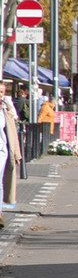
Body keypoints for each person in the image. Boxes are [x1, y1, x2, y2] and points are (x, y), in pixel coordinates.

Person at [0, 82, 21, 222]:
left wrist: (17, 153)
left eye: (2, 92)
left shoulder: (6, 110)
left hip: (1, 150)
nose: (0, 94)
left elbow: (12, 131)